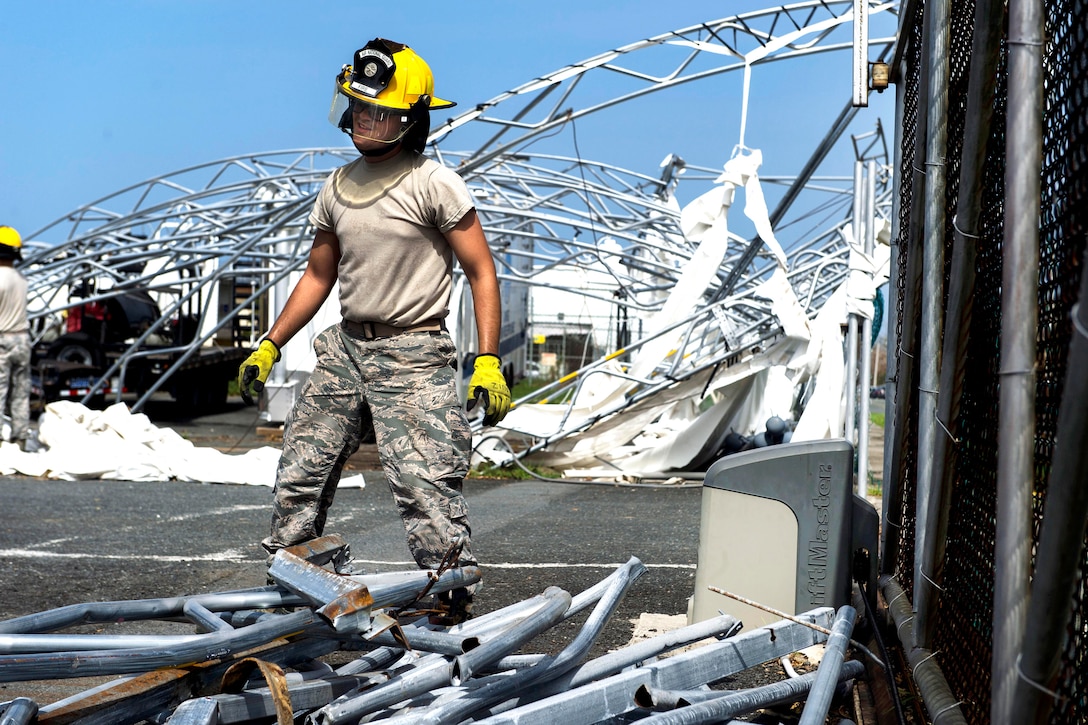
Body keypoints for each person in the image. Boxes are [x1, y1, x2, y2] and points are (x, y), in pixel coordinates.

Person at [238, 39, 511, 622]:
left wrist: (488, 359)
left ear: (410, 119)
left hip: (413, 352)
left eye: (379, 111)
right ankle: (299, 591)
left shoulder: (434, 184)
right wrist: (270, 343)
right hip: (345, 348)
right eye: (358, 108)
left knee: (425, 488)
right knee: (299, 477)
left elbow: (481, 270)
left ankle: (448, 606)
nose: (364, 119)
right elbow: (317, 275)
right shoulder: (337, 186)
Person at [0, 226, 31, 451]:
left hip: (2, 340)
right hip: (22, 339)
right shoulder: (22, 279)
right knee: (20, 391)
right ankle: (20, 439)